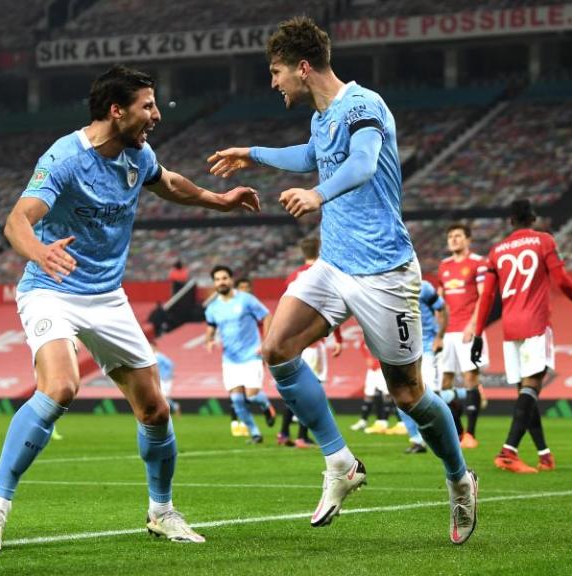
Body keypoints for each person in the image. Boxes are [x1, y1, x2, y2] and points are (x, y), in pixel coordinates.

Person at [0, 65, 259, 555]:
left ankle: (162, 512)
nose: (156, 115)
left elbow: (168, 182)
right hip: (51, 288)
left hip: (107, 297)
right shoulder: (65, 157)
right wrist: (39, 253)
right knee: (60, 386)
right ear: (115, 109)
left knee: (155, 410)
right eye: (147, 105)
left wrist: (220, 201)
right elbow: (17, 220)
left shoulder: (137, 155)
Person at [208, 16, 477, 544]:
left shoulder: (363, 105)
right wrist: (253, 154)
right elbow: (312, 156)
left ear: (302, 67)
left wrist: (317, 195)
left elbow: (362, 162)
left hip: (385, 272)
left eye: (277, 71)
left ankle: (460, 479)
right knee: (277, 348)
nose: (274, 81)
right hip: (334, 263)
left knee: (409, 395)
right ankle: (340, 462)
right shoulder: (321, 116)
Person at [470, 199, 572, 474]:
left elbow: (487, 296)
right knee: (531, 387)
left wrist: (479, 333)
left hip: (509, 328)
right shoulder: (543, 241)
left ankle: (544, 454)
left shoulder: (496, 251)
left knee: (525, 394)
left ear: (510, 222)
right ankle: (508, 452)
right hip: (535, 324)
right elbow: (562, 280)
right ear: (533, 218)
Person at [279, 237, 343, 448]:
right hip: (314, 344)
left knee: (295, 387)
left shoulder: (292, 277)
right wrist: (338, 338)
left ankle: (283, 432)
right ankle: (302, 436)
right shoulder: (324, 274)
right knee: (312, 390)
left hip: (295, 343)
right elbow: (331, 306)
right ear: (320, 249)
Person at [205, 265, 276, 444]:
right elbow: (210, 327)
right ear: (214, 283)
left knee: (251, 395)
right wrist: (209, 340)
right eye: (217, 279)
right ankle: (255, 434)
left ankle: (266, 406)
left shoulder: (246, 300)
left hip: (251, 355)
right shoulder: (212, 308)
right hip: (229, 359)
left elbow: (267, 316)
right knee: (237, 400)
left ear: (231, 279)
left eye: (224, 278)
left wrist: (266, 341)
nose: (221, 282)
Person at [438, 223, 489, 449]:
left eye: (458, 236)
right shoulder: (443, 267)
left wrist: (473, 325)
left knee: (470, 378)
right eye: (451, 236)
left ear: (468, 240)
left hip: (468, 329)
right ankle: (457, 431)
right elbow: (441, 304)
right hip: (448, 333)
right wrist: (438, 334)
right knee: (445, 383)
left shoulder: (478, 263)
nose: (454, 239)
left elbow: (483, 296)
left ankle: (471, 433)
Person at [400, 279, 448, 454]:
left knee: (430, 395)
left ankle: (443, 437)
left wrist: (440, 337)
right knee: (400, 396)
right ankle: (417, 440)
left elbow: (442, 308)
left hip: (427, 346)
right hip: (405, 349)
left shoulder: (423, 286)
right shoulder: (387, 286)